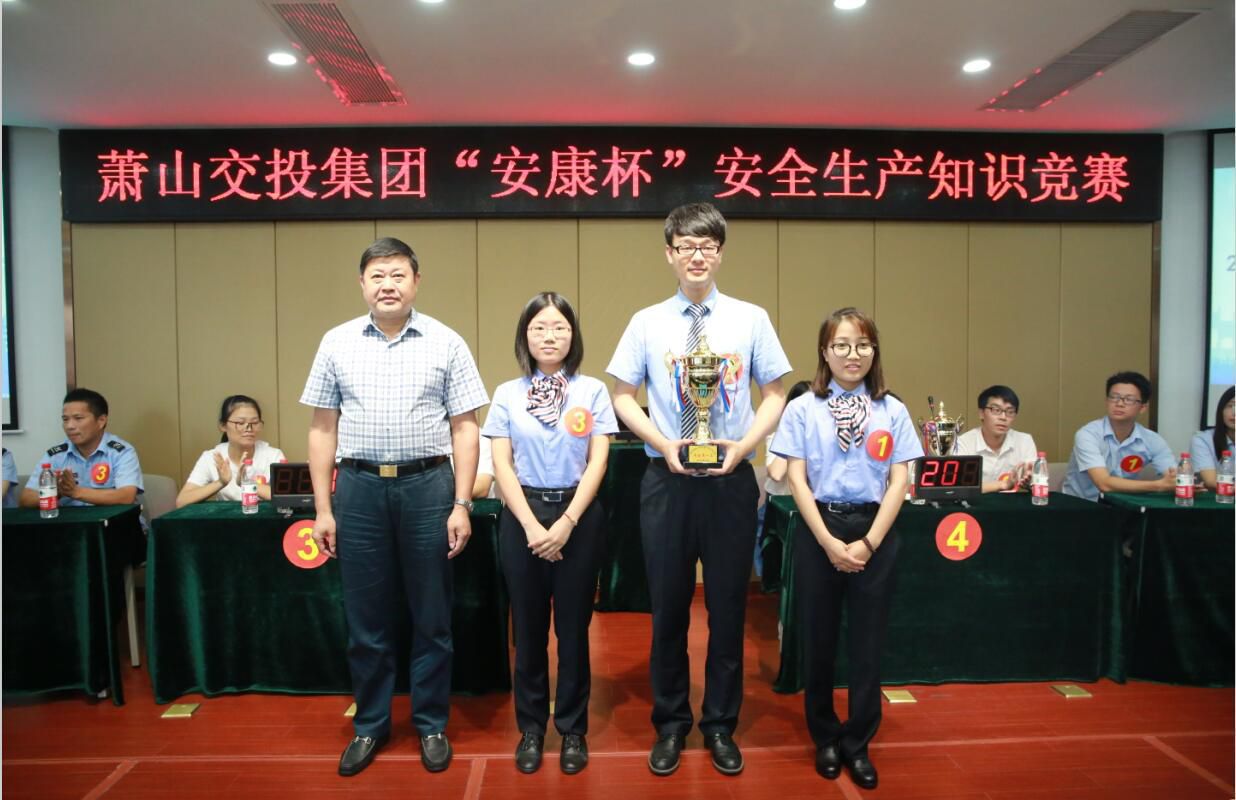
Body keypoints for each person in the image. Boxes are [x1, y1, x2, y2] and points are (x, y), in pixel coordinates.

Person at [606, 202, 791, 777]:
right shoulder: (646, 322)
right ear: (669, 253)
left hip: (730, 479)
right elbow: (620, 396)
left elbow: (776, 393)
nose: (696, 255)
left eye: (707, 245)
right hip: (667, 480)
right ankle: (670, 724)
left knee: (729, 607)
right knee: (667, 608)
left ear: (721, 253)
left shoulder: (750, 318)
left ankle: (719, 725)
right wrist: (663, 443)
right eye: (686, 245)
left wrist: (745, 447)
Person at [300, 237, 488, 777]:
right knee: (366, 617)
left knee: (432, 615)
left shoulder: (446, 341)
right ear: (362, 284)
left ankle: (430, 724)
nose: (388, 285)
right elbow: (322, 429)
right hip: (358, 489)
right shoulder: (336, 342)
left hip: (428, 487)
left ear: (416, 281)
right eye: (377, 275)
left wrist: (461, 503)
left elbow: (465, 428)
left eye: (398, 274)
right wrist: (324, 509)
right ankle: (370, 725)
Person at [771, 308, 921, 791]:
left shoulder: (891, 410)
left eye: (862, 345)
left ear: (874, 351)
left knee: (867, 645)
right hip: (819, 528)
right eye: (841, 345)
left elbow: (900, 480)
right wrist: (828, 541)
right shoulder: (803, 408)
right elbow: (796, 479)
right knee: (817, 641)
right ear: (824, 351)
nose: (852, 354)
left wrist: (869, 542)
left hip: (875, 530)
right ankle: (825, 737)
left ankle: (858, 742)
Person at [483, 292, 616, 775]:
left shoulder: (592, 391)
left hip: (577, 515)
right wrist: (532, 525)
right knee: (529, 629)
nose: (549, 336)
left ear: (573, 336)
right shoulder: (507, 394)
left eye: (559, 327)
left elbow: (598, 461)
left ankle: (574, 729)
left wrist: (566, 523)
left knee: (574, 630)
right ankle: (532, 729)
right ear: (525, 336)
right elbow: (502, 464)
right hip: (523, 516)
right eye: (538, 327)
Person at [20, 388, 143, 509]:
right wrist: (56, 492)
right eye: (65, 419)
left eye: (78, 418)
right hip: (70, 521)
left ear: (101, 421)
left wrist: (75, 492)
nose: (70, 426)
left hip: (114, 521)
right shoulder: (56, 455)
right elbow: (26, 499)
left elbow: (126, 496)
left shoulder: (121, 452)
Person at [1062, 371, 1176, 501]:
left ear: (1143, 408)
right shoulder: (1088, 434)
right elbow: (1103, 483)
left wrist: (1178, 479)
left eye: (1129, 399)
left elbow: (1174, 476)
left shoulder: (1152, 440)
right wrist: (1159, 486)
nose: (1120, 403)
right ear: (1106, 401)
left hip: (1125, 504)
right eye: (1114, 397)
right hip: (1082, 504)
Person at [175, 395, 286, 507]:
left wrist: (246, 483)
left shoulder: (273, 456)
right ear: (223, 426)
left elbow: (286, 497)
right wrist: (220, 482)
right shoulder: (212, 457)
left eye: (255, 423)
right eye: (240, 423)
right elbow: (182, 501)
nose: (249, 429)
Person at [758, 380, 812, 576]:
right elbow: (777, 473)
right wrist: (795, 433)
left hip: (810, 510)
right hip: (780, 512)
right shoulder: (777, 437)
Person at [953, 385, 1038, 493]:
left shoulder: (1024, 441)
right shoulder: (964, 443)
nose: (1003, 417)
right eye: (996, 410)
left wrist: (1029, 480)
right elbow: (961, 487)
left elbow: (1037, 483)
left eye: (1010, 412)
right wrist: (1004, 484)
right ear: (981, 413)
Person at [1191, 386, 1234, 490]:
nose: (1234, 412)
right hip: (1220, 497)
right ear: (1221, 410)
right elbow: (1211, 481)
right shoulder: (1202, 440)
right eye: (1231, 406)